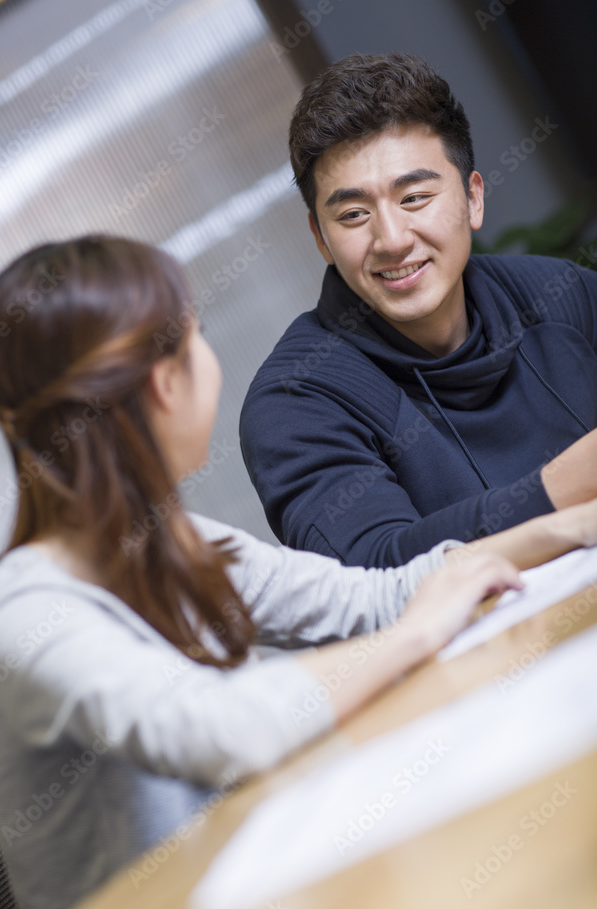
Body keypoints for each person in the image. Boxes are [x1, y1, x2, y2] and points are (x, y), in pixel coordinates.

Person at [0, 236, 597, 909]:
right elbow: (219, 728)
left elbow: (368, 598)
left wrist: (564, 531)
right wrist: (416, 633)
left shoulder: (170, 541)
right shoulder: (24, 613)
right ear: (162, 383)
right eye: (196, 339)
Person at [240, 52, 597, 569]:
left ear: (473, 199)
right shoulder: (297, 400)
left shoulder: (561, 295)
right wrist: (568, 485)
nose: (391, 240)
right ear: (321, 238)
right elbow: (376, 571)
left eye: (414, 198)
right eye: (355, 214)